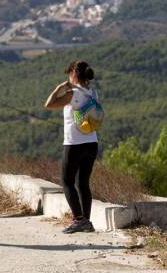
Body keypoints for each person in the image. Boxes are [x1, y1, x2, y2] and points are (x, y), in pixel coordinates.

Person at [44, 60, 99, 234]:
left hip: (74, 143)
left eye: (68, 73)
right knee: (83, 183)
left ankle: (78, 220)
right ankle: (86, 221)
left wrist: (59, 88)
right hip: (91, 142)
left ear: (74, 74)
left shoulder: (72, 93)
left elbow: (49, 104)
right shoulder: (93, 93)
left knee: (67, 182)